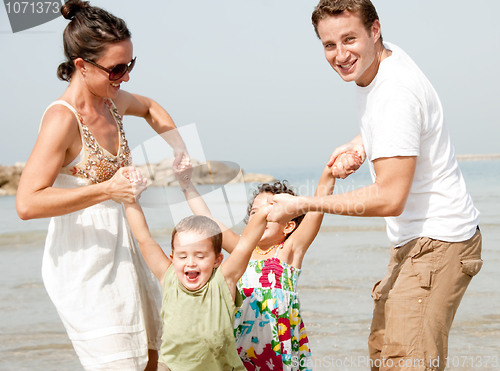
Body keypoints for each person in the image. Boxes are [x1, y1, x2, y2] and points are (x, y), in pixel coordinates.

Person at [268, 1, 483, 371]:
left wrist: (303, 204)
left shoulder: (394, 94)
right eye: (329, 45)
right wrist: (363, 141)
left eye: (349, 39)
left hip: (437, 242)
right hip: (417, 242)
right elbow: (405, 123)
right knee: (383, 356)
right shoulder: (383, 65)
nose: (340, 55)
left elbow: (389, 197)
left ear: (375, 30)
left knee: (407, 362)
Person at [15, 1, 189, 370]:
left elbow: (151, 108)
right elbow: (27, 203)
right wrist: (107, 190)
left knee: (154, 360)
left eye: (130, 65)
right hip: (85, 265)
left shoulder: (112, 102)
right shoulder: (62, 120)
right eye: (116, 69)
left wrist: (178, 146)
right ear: (82, 65)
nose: (125, 78)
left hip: (127, 252)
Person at [171, 157, 358, 370]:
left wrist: (328, 173)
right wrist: (186, 184)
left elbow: (316, 209)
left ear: (288, 227)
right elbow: (207, 219)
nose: (259, 216)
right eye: (254, 213)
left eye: (269, 212)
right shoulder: (243, 251)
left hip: (279, 351)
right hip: (241, 346)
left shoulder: (289, 251)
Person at [122, 169, 273, 371]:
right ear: (172, 258)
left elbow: (245, 244)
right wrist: (130, 200)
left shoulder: (223, 282)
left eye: (200, 256)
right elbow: (144, 239)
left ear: (217, 260)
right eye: (183, 256)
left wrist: (264, 212)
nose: (190, 263)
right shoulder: (168, 278)